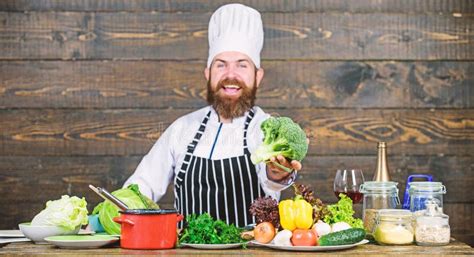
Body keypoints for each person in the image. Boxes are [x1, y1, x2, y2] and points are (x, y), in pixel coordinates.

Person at [124, 3, 304, 227]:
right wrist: (113, 210)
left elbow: (274, 181)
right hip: (188, 252)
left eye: (242, 65)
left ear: (258, 76)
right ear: (208, 74)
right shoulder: (182, 129)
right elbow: (142, 186)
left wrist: (277, 173)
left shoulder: (266, 128)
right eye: (221, 65)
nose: (231, 75)